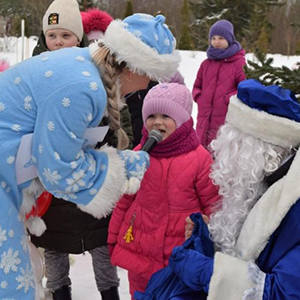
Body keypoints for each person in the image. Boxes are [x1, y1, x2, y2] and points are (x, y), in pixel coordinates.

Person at [0, 12, 180, 300]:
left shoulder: (84, 69)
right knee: (10, 285)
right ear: (133, 69)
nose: (148, 86)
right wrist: (119, 168)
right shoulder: (83, 87)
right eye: (151, 77)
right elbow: (59, 171)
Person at [29, 2, 133, 299]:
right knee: (54, 246)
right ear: (44, 38)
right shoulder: (34, 71)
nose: (59, 42)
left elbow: (118, 116)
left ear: (79, 37)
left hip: (91, 171)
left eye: (66, 35)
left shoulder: (96, 68)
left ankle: (109, 292)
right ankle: (60, 292)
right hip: (49, 180)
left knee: (100, 242)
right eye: (53, 35)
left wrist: (107, 142)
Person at [166, 79, 300, 300]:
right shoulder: (267, 181)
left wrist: (205, 271)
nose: (226, 158)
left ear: (263, 150)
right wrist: (207, 239)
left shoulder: (293, 204)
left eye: (235, 145)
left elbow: (283, 293)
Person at [108, 82, 220, 298]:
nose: (157, 122)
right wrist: (113, 238)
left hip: (179, 259)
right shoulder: (140, 154)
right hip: (139, 252)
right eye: (151, 116)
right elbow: (124, 202)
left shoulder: (199, 159)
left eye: (166, 116)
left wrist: (212, 238)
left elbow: (213, 205)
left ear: (182, 120)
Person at [192, 19, 246, 149]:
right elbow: (197, 86)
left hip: (225, 116)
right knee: (201, 147)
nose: (216, 41)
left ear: (229, 39)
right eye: (213, 38)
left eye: (221, 38)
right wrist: (200, 97)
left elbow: (244, 88)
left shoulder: (238, 63)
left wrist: (228, 99)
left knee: (220, 150)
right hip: (204, 115)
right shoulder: (206, 64)